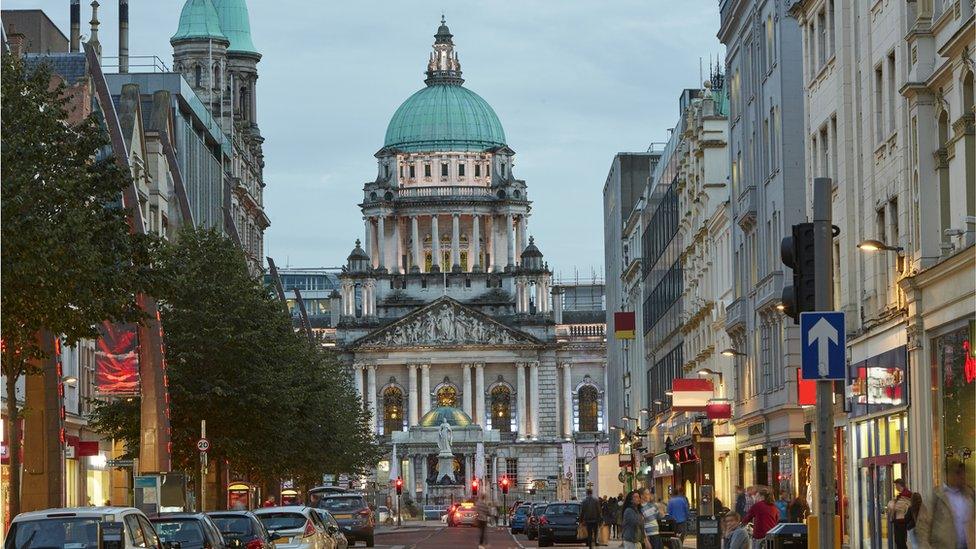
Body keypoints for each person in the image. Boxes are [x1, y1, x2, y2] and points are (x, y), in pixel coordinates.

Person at [915, 460, 975, 549]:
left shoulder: (969, 495)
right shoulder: (936, 496)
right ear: (948, 474)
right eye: (957, 473)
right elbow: (923, 525)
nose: (962, 477)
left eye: (963, 473)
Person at [887, 478, 913, 549]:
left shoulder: (906, 494)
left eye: (896, 485)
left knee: (900, 541)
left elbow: (897, 507)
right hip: (898, 521)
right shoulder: (901, 495)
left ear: (899, 485)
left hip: (901, 522)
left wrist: (893, 503)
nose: (895, 487)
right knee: (898, 541)